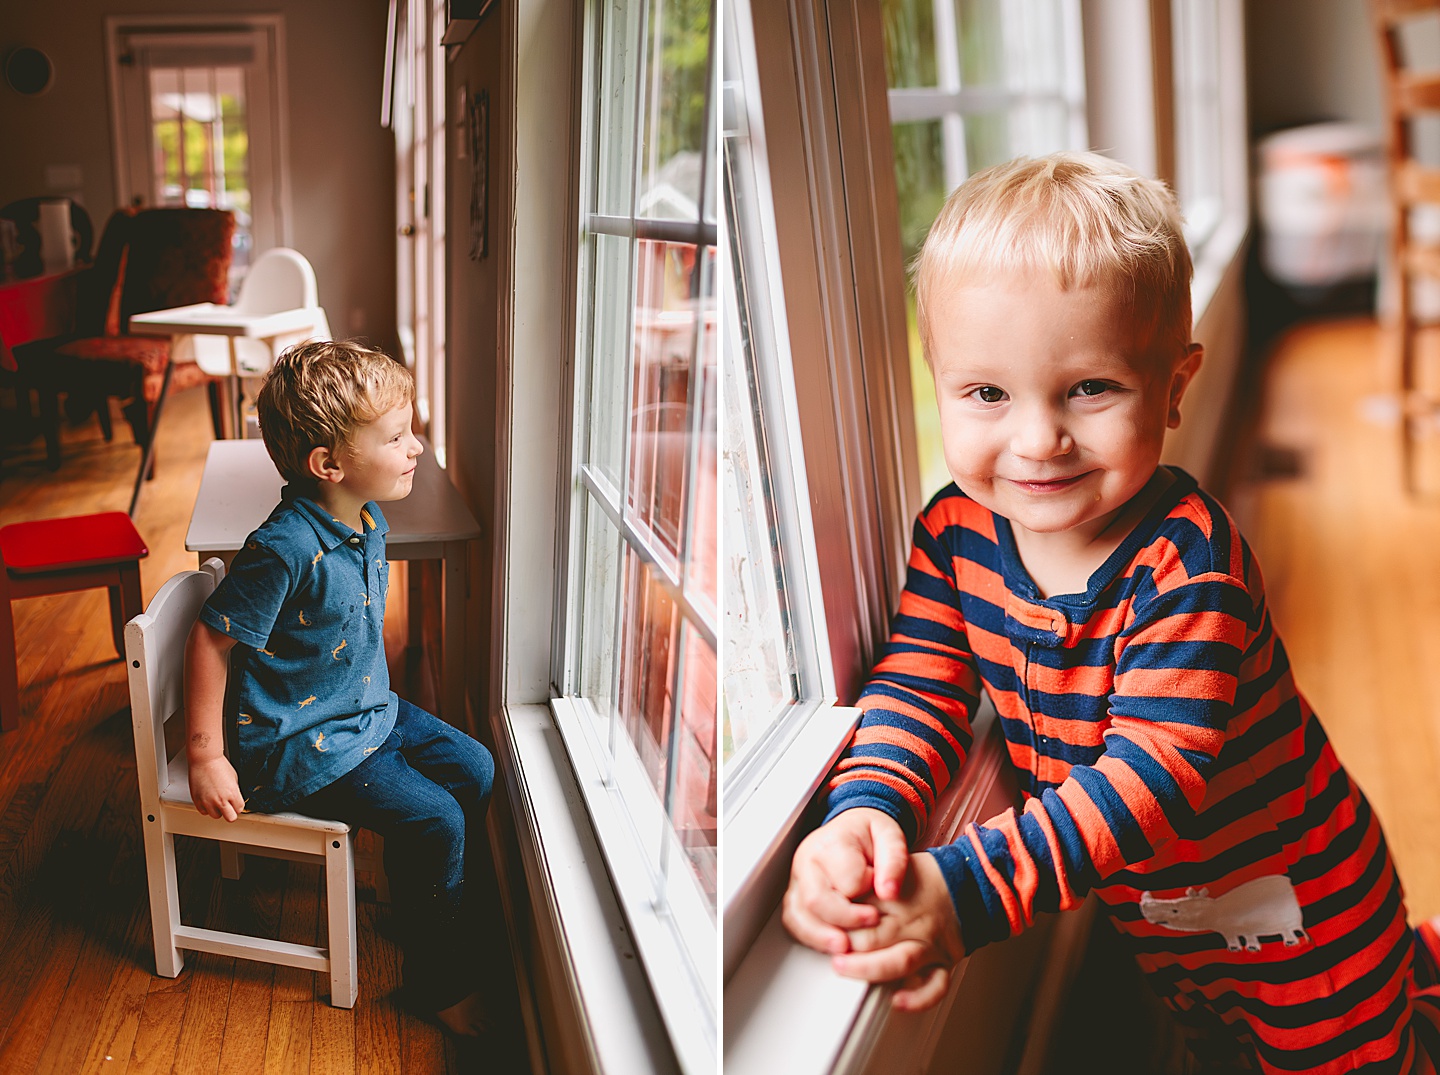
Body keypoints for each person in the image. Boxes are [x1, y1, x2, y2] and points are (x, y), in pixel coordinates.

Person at [782, 152, 1440, 1072]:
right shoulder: (955, 533)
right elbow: (918, 687)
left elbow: (1151, 777)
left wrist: (962, 897)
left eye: (1089, 388)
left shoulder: (1187, 561)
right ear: (937, 381)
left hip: (1308, 915)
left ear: (1173, 385)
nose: (1038, 438)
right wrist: (868, 807)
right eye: (986, 393)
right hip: (1168, 925)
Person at [183, 338, 495, 1037]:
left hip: (361, 710)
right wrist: (206, 753)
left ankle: (438, 907)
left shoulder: (361, 517)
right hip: (298, 742)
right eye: (395, 436)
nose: (415, 447)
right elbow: (211, 637)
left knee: (476, 768)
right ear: (329, 463)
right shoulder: (285, 546)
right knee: (436, 815)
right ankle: (438, 980)